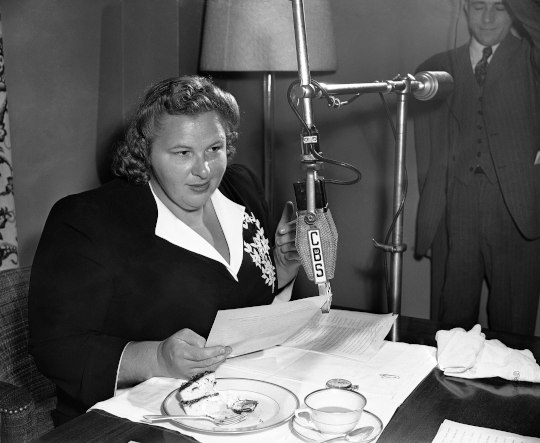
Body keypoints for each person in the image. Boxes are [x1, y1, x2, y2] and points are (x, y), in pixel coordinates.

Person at [28, 75, 301, 424]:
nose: (203, 170)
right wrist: (156, 358)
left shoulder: (241, 188)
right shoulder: (86, 221)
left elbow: (243, 299)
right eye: (182, 153)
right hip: (132, 418)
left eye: (214, 149)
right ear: (145, 152)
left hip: (242, 401)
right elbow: (56, 348)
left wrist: (282, 268)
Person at [414, 0, 540, 335]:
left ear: (514, 11)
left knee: (514, 326)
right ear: (465, 10)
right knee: (451, 320)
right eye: (479, 6)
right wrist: (430, 219)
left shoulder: (531, 58)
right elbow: (427, 153)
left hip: (517, 208)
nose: (487, 18)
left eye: (499, 7)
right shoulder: (436, 68)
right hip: (458, 204)